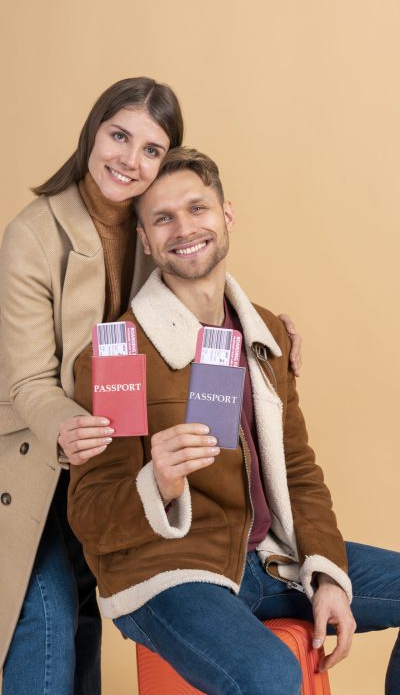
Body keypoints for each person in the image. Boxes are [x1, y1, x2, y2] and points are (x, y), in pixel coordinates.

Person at [0, 84, 300, 695]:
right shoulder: (32, 235)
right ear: (92, 132)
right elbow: (28, 380)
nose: (130, 160)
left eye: (151, 150)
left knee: (83, 616)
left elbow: (194, 263)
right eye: (119, 136)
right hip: (39, 449)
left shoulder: (151, 220)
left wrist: (260, 324)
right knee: (48, 622)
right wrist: (68, 425)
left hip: (115, 450)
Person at [69, 148, 400, 695]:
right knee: (269, 672)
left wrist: (326, 573)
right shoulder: (119, 353)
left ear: (227, 215)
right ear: (145, 240)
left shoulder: (266, 333)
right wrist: (158, 482)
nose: (184, 228)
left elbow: (297, 469)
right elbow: (89, 514)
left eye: (197, 208)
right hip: (168, 571)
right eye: (163, 218)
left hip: (270, 559)